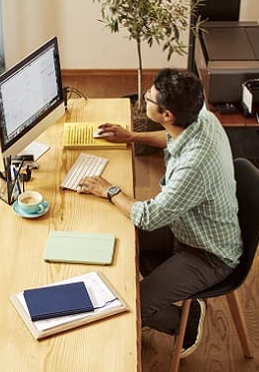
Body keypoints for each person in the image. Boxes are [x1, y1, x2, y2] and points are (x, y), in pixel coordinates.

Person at [78, 68, 242, 358]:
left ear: (167, 115)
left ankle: (186, 323)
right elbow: (173, 138)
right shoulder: (202, 117)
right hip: (186, 226)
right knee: (118, 236)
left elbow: (149, 217)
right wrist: (131, 136)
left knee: (135, 303)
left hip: (208, 253)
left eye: (150, 98)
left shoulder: (194, 167)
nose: (144, 97)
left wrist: (109, 190)